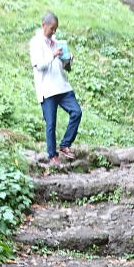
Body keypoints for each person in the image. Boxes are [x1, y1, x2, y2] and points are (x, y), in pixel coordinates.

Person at [29, 11, 82, 165]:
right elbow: (39, 65)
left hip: (62, 86)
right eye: (52, 28)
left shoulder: (57, 42)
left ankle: (65, 144)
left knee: (77, 112)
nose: (53, 32)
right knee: (51, 123)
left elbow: (65, 67)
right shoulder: (36, 43)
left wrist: (68, 60)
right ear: (43, 25)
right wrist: (52, 55)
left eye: (55, 29)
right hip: (47, 89)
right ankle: (52, 156)